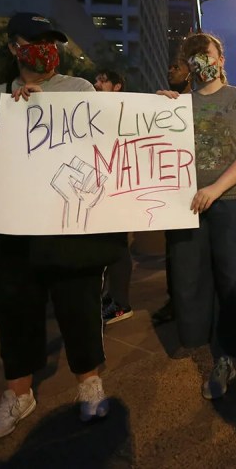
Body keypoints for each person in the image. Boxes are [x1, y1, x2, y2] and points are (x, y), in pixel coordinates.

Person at [0, 13, 115, 439]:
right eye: (35, 40)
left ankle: (89, 383)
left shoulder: (78, 89)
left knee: (77, 301)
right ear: (13, 47)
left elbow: (112, 138)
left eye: (51, 41)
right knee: (13, 308)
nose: (46, 49)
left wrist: (165, 104)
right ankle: (18, 394)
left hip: (60, 221)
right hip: (0, 224)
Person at [158, 33, 236, 403]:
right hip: (186, 206)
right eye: (192, 56)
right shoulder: (178, 104)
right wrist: (155, 111)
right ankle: (221, 359)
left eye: (205, 54)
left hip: (232, 201)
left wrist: (216, 188)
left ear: (221, 58)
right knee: (197, 284)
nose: (200, 61)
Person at [152, 59, 193, 326]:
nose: (170, 70)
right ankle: (175, 299)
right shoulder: (164, 102)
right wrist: (157, 106)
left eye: (177, 67)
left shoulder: (200, 101)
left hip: (199, 188)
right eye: (169, 67)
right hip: (173, 188)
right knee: (174, 250)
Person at [93, 69, 135, 324]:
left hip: (118, 188)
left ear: (117, 86)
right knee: (107, 245)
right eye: (96, 80)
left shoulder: (126, 111)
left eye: (103, 80)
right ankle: (112, 297)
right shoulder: (95, 109)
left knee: (118, 246)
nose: (97, 84)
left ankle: (120, 304)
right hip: (100, 188)